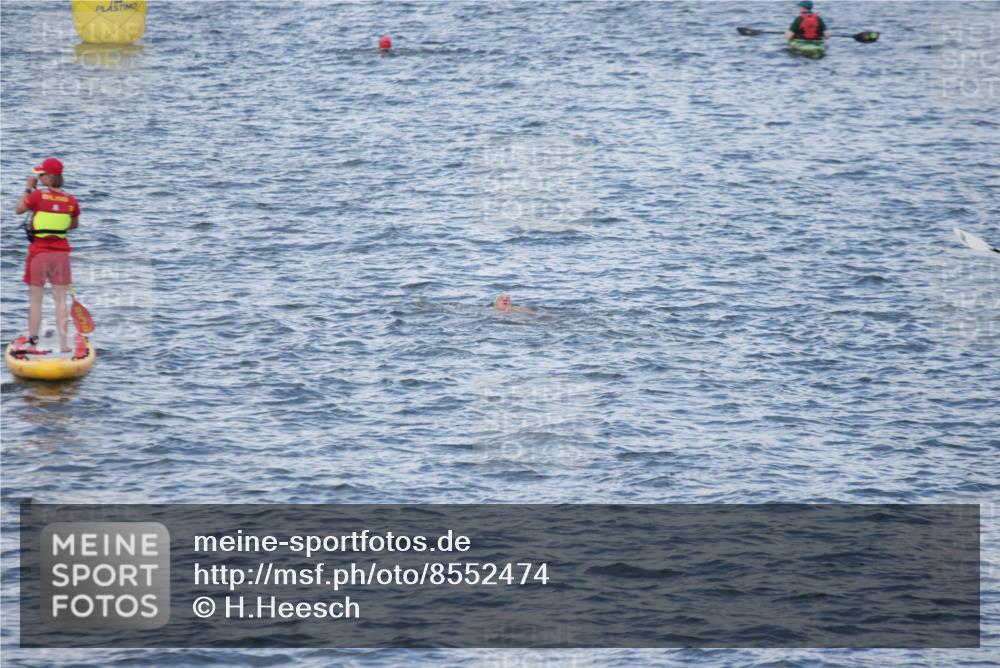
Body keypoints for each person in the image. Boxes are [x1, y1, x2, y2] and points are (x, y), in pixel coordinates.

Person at [13, 157, 81, 353]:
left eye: (40, 175)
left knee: (36, 301)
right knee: (60, 300)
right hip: (61, 256)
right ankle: (64, 345)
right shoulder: (71, 201)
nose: (38, 177)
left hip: (39, 255)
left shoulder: (37, 197)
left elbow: (18, 210)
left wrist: (28, 188)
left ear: (47, 179)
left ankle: (33, 345)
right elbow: (74, 225)